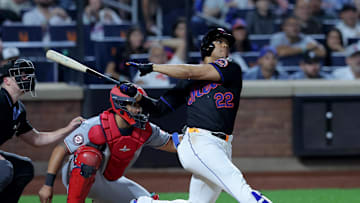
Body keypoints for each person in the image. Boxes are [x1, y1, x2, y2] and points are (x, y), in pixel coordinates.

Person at [125, 28, 272, 203]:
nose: (225, 45)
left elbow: (191, 71)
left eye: (226, 43)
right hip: (200, 142)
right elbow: (159, 109)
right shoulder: (189, 81)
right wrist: (138, 96)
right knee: (243, 191)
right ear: (207, 46)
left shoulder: (230, 68)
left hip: (222, 146)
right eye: (219, 41)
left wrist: (154, 67)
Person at [38, 84, 180, 203]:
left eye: (140, 105)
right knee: (88, 157)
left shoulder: (145, 129)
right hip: (78, 172)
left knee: (148, 200)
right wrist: (47, 185)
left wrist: (196, 135)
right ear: (120, 104)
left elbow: (171, 143)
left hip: (109, 179)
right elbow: (61, 149)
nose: (139, 110)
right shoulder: (96, 125)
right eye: (134, 105)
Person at [0, 58, 83, 202]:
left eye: (27, 74)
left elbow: (36, 139)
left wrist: (68, 129)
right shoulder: (1, 100)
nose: (26, 78)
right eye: (20, 74)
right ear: (7, 80)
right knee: (4, 169)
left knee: (23, 168)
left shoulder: (17, 109)